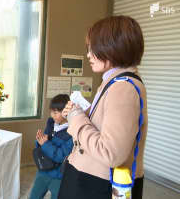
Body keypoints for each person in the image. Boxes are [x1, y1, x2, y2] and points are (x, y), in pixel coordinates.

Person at [57, 15, 148, 199]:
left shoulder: (123, 86)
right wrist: (82, 114)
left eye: (94, 48)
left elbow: (110, 152)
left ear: (115, 46)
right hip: (92, 178)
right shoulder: (114, 81)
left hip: (96, 184)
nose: (89, 54)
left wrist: (76, 117)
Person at [29, 94, 73, 199]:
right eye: (51, 111)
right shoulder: (51, 124)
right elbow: (41, 147)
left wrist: (45, 143)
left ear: (66, 112)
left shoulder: (72, 132)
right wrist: (39, 141)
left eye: (55, 112)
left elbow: (61, 156)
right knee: (34, 196)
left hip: (58, 177)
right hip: (43, 171)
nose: (52, 115)